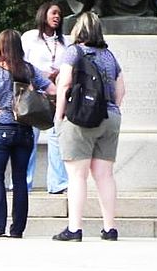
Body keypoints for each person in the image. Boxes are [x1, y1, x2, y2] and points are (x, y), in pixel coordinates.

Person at [0, 30, 55, 239]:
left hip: (1, 128)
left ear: (0, 47)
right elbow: (53, 90)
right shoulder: (28, 70)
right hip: (25, 129)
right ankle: (17, 229)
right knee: (20, 180)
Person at [52, 12, 125, 242]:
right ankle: (110, 228)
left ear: (78, 30)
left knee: (77, 176)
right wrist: (111, 108)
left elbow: (64, 84)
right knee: (104, 176)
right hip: (110, 116)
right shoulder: (110, 56)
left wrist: (59, 116)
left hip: (81, 118)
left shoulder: (73, 51)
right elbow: (121, 90)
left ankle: (74, 229)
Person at [21, 2, 70, 194]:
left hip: (56, 97)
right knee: (28, 141)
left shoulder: (66, 41)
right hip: (33, 96)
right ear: (44, 15)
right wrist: (40, 74)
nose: (57, 16)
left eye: (59, 13)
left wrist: (60, 73)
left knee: (56, 140)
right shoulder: (30, 38)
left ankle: (58, 183)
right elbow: (21, 64)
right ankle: (23, 182)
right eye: (53, 13)